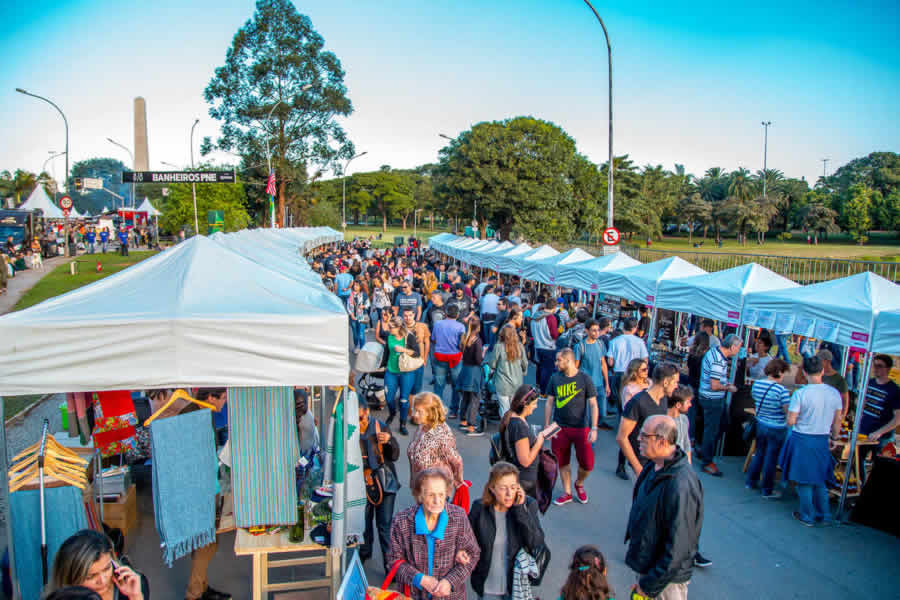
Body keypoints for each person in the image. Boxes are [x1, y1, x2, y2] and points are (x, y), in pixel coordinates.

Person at [625, 415, 703, 600]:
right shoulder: (653, 466)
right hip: (650, 569)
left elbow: (679, 547)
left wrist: (650, 585)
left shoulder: (680, 484)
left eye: (644, 436)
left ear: (661, 441)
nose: (638, 439)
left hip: (664, 582)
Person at [388, 467, 480, 600]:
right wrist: (419, 579)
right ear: (419, 495)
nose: (437, 501)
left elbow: (473, 553)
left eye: (441, 495)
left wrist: (450, 581)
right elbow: (393, 560)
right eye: (431, 495)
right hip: (413, 596)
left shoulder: (458, 517)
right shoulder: (402, 522)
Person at [779, 356, 843, 526]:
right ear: (822, 371)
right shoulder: (834, 393)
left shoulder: (801, 394)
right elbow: (838, 421)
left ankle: (807, 515)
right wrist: (834, 438)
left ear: (805, 372)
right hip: (822, 439)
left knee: (803, 481)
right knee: (819, 480)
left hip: (802, 439)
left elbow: (791, 421)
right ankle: (825, 515)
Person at [468, 462, 545, 600]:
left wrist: (520, 510)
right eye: (503, 488)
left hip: (515, 586)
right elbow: (466, 541)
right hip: (488, 586)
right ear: (492, 488)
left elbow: (536, 542)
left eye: (513, 487)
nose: (509, 493)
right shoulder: (479, 508)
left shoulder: (528, 505)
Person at [545, 348, 599, 505]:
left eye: (558, 360)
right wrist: (547, 426)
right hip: (560, 426)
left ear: (568, 360)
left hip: (581, 427)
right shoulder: (555, 378)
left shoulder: (585, 379)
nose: (556, 363)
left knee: (587, 464)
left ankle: (579, 484)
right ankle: (567, 492)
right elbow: (549, 403)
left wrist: (594, 428)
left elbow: (594, 404)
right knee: (562, 462)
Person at [667, 385, 713, 569]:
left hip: (682, 473)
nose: (691, 405)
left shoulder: (684, 420)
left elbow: (686, 446)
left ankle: (692, 550)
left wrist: (689, 471)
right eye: (688, 402)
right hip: (668, 475)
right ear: (678, 404)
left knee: (690, 514)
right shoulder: (663, 420)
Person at [358, 395, 401, 573]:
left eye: (359, 417)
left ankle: (390, 567)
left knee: (384, 526)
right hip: (363, 481)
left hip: (385, 481)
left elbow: (395, 455)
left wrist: (389, 441)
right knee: (364, 523)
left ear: (367, 412)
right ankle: (364, 553)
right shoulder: (349, 430)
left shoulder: (380, 427)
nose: (358, 422)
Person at [617, 363, 680, 478]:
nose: (676, 386)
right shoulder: (637, 402)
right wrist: (638, 468)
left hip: (655, 463)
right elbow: (621, 437)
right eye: (675, 382)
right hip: (641, 464)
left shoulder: (663, 400)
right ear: (665, 382)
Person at [48, 529, 148, 600]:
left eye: (107, 568)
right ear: (70, 578)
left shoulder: (135, 585)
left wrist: (135, 597)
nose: (102, 580)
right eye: (90, 576)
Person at [696, 333, 742, 477]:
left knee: (720, 425)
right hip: (712, 399)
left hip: (708, 397)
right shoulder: (718, 360)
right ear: (733, 346)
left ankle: (704, 451)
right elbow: (714, 385)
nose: (738, 351)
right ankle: (707, 461)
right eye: (738, 348)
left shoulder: (715, 352)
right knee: (712, 430)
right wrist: (728, 387)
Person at [745, 358, 791, 498]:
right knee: (771, 459)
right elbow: (787, 411)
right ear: (780, 372)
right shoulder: (781, 390)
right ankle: (767, 489)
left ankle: (751, 481)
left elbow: (755, 399)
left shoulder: (757, 384)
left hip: (761, 423)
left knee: (759, 453)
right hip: (777, 427)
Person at [498, 385, 551, 499]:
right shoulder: (519, 426)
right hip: (525, 482)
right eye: (534, 403)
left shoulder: (513, 417)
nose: (536, 407)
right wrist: (540, 440)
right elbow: (525, 461)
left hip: (522, 479)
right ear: (525, 404)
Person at [407, 392, 464, 488]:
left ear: (430, 412)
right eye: (414, 410)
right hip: (421, 486)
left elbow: (456, 460)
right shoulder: (422, 427)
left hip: (437, 489)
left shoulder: (441, 433)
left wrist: (458, 482)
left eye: (419, 412)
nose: (415, 415)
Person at [574, 318, 613, 430]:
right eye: (593, 330)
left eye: (597, 330)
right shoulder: (580, 347)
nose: (596, 333)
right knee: (587, 416)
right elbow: (576, 367)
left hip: (599, 384)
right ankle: (588, 436)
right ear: (586, 331)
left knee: (602, 413)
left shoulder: (600, 344)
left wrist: (607, 384)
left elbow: (603, 364)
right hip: (585, 385)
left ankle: (593, 428)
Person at [384, 316, 420, 435]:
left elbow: (417, 353)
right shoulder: (389, 336)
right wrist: (382, 365)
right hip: (391, 371)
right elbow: (386, 352)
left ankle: (402, 424)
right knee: (389, 397)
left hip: (406, 373)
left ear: (399, 327)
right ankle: (392, 413)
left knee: (404, 400)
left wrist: (403, 350)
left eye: (391, 327)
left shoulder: (409, 337)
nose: (388, 329)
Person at [606, 318, 649, 416]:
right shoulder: (640, 342)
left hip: (619, 373)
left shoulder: (614, 341)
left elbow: (610, 362)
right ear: (635, 328)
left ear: (623, 327)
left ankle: (621, 420)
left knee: (620, 401)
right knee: (632, 401)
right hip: (635, 374)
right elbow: (645, 360)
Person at [431, 303, 466, 417]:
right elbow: (462, 344)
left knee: (439, 384)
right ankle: (454, 410)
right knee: (456, 385)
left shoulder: (437, 324)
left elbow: (434, 339)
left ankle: (437, 410)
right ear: (457, 314)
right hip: (455, 357)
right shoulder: (461, 326)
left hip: (440, 356)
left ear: (446, 313)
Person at [858, 354, 900, 445]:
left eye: (879, 366)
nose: (875, 368)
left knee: (877, 459)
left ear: (888, 369)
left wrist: (879, 432)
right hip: (863, 432)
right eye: (874, 365)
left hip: (881, 437)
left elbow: (898, 418)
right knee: (856, 458)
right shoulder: (869, 382)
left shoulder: (894, 390)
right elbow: (862, 403)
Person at [487, 324, 529, 416]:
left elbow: (492, 364)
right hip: (517, 383)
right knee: (514, 409)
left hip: (502, 383)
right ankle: (512, 428)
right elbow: (525, 363)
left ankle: (505, 429)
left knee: (504, 409)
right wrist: (523, 372)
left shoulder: (499, 346)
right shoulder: (520, 346)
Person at [457, 315, 485, 436]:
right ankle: (471, 425)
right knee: (475, 398)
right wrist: (483, 353)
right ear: (478, 327)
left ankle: (463, 420)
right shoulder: (477, 341)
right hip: (474, 371)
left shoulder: (465, 337)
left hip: (465, 369)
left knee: (465, 397)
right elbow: (479, 360)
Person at [531, 296, 561, 394]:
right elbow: (554, 335)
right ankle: (543, 392)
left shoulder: (535, 316)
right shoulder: (550, 318)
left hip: (537, 345)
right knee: (546, 370)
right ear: (554, 307)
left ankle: (538, 386)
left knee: (539, 367)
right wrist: (559, 332)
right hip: (548, 347)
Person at [402, 306, 430, 398]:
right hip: (405, 362)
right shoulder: (400, 327)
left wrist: (425, 359)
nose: (408, 318)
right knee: (405, 386)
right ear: (403, 316)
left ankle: (412, 403)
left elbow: (427, 343)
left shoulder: (422, 326)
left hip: (419, 361)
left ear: (414, 315)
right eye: (405, 316)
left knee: (417, 387)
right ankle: (408, 406)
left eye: (410, 315)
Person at [348, 280, 369, 353]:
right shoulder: (350, 294)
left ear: (360, 287)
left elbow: (368, 304)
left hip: (362, 316)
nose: (355, 287)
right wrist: (351, 314)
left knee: (361, 334)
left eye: (357, 285)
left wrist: (363, 306)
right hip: (353, 316)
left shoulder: (364, 295)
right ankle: (356, 345)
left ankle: (362, 348)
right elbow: (348, 306)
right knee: (355, 333)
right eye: (354, 285)